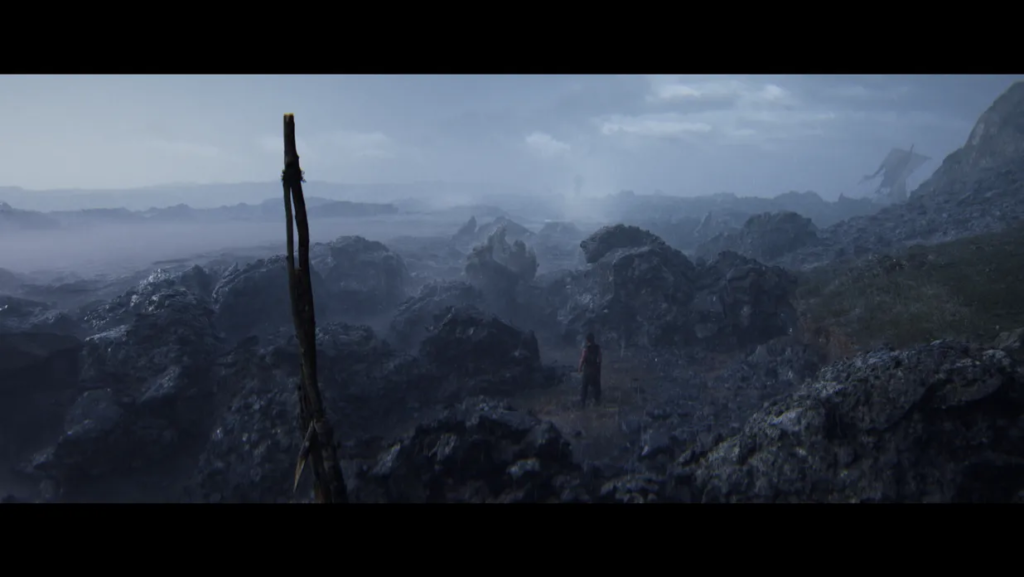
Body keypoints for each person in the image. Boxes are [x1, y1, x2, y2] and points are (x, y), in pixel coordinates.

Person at [578, 332, 602, 407]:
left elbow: (582, 359)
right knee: (596, 386)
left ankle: (583, 403)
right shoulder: (597, 348)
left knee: (584, 387)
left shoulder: (586, 349)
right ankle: (596, 401)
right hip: (595, 369)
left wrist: (579, 368)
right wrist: (598, 367)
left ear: (587, 340)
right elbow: (600, 358)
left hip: (587, 370)